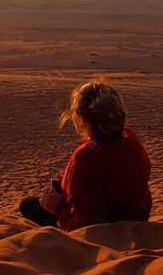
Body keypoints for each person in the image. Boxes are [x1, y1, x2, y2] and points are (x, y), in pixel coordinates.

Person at [19, 81, 152, 232]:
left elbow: (85, 229)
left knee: (28, 205)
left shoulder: (86, 157)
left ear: (82, 121)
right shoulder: (131, 138)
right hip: (137, 219)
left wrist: (57, 207)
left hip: (109, 230)